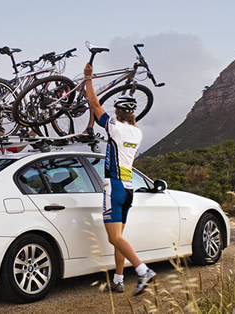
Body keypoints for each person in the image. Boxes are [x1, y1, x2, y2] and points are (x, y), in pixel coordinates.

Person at [84, 63, 156, 296]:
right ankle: (118, 278)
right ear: (133, 114)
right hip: (128, 189)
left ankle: (143, 270)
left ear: (118, 112)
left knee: (113, 237)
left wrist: (88, 79)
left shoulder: (114, 128)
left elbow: (95, 105)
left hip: (113, 187)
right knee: (119, 238)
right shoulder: (138, 133)